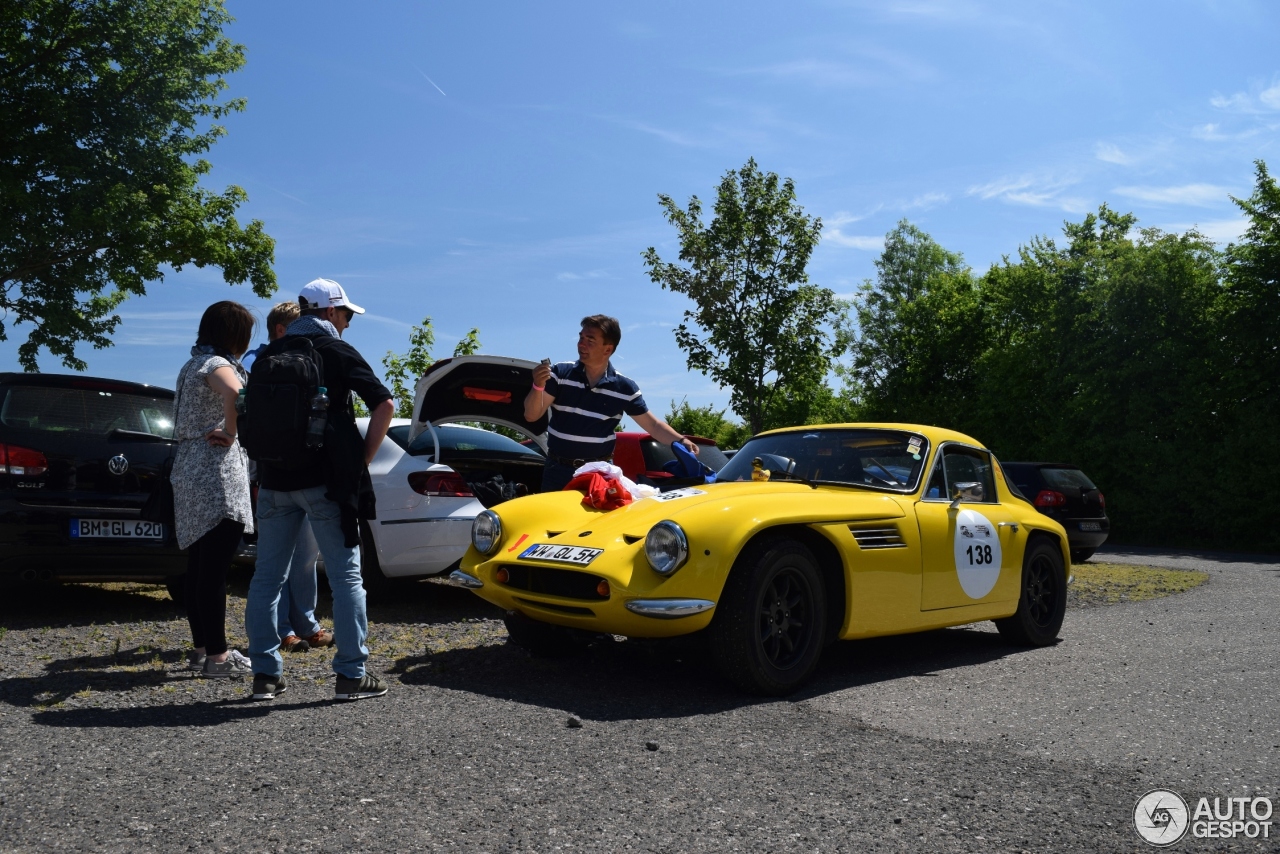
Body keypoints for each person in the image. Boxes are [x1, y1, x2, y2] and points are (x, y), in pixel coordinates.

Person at [244, 278, 396, 702]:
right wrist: (362, 459)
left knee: (266, 579)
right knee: (347, 577)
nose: (348, 322)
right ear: (330, 312)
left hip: (274, 480)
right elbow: (384, 404)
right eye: (346, 314)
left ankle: (266, 676)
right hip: (326, 483)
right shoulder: (334, 350)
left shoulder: (268, 355)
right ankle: (351, 675)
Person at [171, 301, 256, 678]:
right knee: (215, 571)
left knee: (199, 567)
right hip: (215, 473)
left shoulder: (191, 365)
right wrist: (234, 432)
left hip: (188, 468)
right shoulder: (218, 365)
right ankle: (220, 659)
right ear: (234, 335)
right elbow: (238, 396)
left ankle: (203, 649)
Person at [244, 301, 333, 655]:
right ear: (282, 330)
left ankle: (305, 623)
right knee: (276, 562)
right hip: (273, 474)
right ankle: (281, 629)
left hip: (305, 472)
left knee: (305, 557)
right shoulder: (257, 363)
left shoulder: (306, 359)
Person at [524, 314, 698, 493]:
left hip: (599, 474)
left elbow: (653, 425)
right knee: (554, 521)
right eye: (581, 337)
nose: (581, 344)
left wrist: (681, 440)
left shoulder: (624, 388)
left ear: (608, 349)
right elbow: (531, 415)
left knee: (598, 522)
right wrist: (538, 385)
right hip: (557, 470)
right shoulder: (560, 373)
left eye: (589, 340)